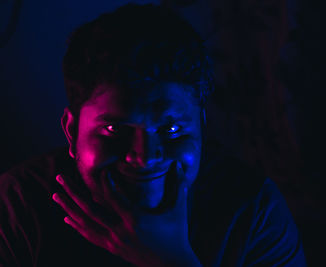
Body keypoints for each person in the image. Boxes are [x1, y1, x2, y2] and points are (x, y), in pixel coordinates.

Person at [0, 4, 307, 267]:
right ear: (71, 131)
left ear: (201, 126)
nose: (145, 157)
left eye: (172, 130)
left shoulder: (253, 214)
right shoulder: (17, 208)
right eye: (114, 130)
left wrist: (171, 260)